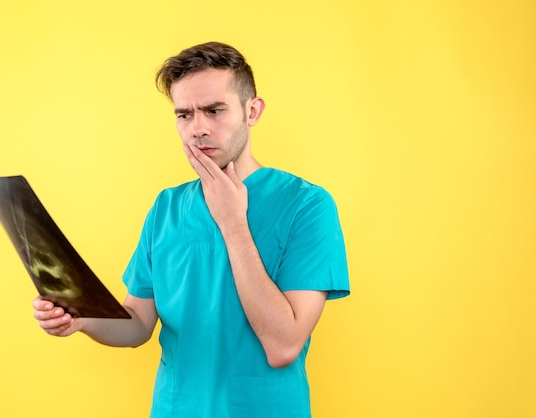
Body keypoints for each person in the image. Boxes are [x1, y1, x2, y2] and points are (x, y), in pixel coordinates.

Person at [33, 41, 350, 417]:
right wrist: (83, 318)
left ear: (253, 110)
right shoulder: (166, 208)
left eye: (215, 110)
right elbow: (136, 324)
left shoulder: (307, 206)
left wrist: (234, 224)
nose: (198, 129)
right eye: (184, 115)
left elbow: (283, 347)